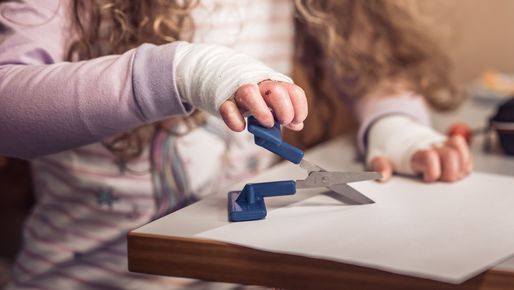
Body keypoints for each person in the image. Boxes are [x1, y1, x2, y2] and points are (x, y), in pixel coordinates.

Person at [0, 0, 472, 289]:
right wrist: (180, 72)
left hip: (245, 273)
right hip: (92, 278)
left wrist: (396, 128)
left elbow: (373, 65)